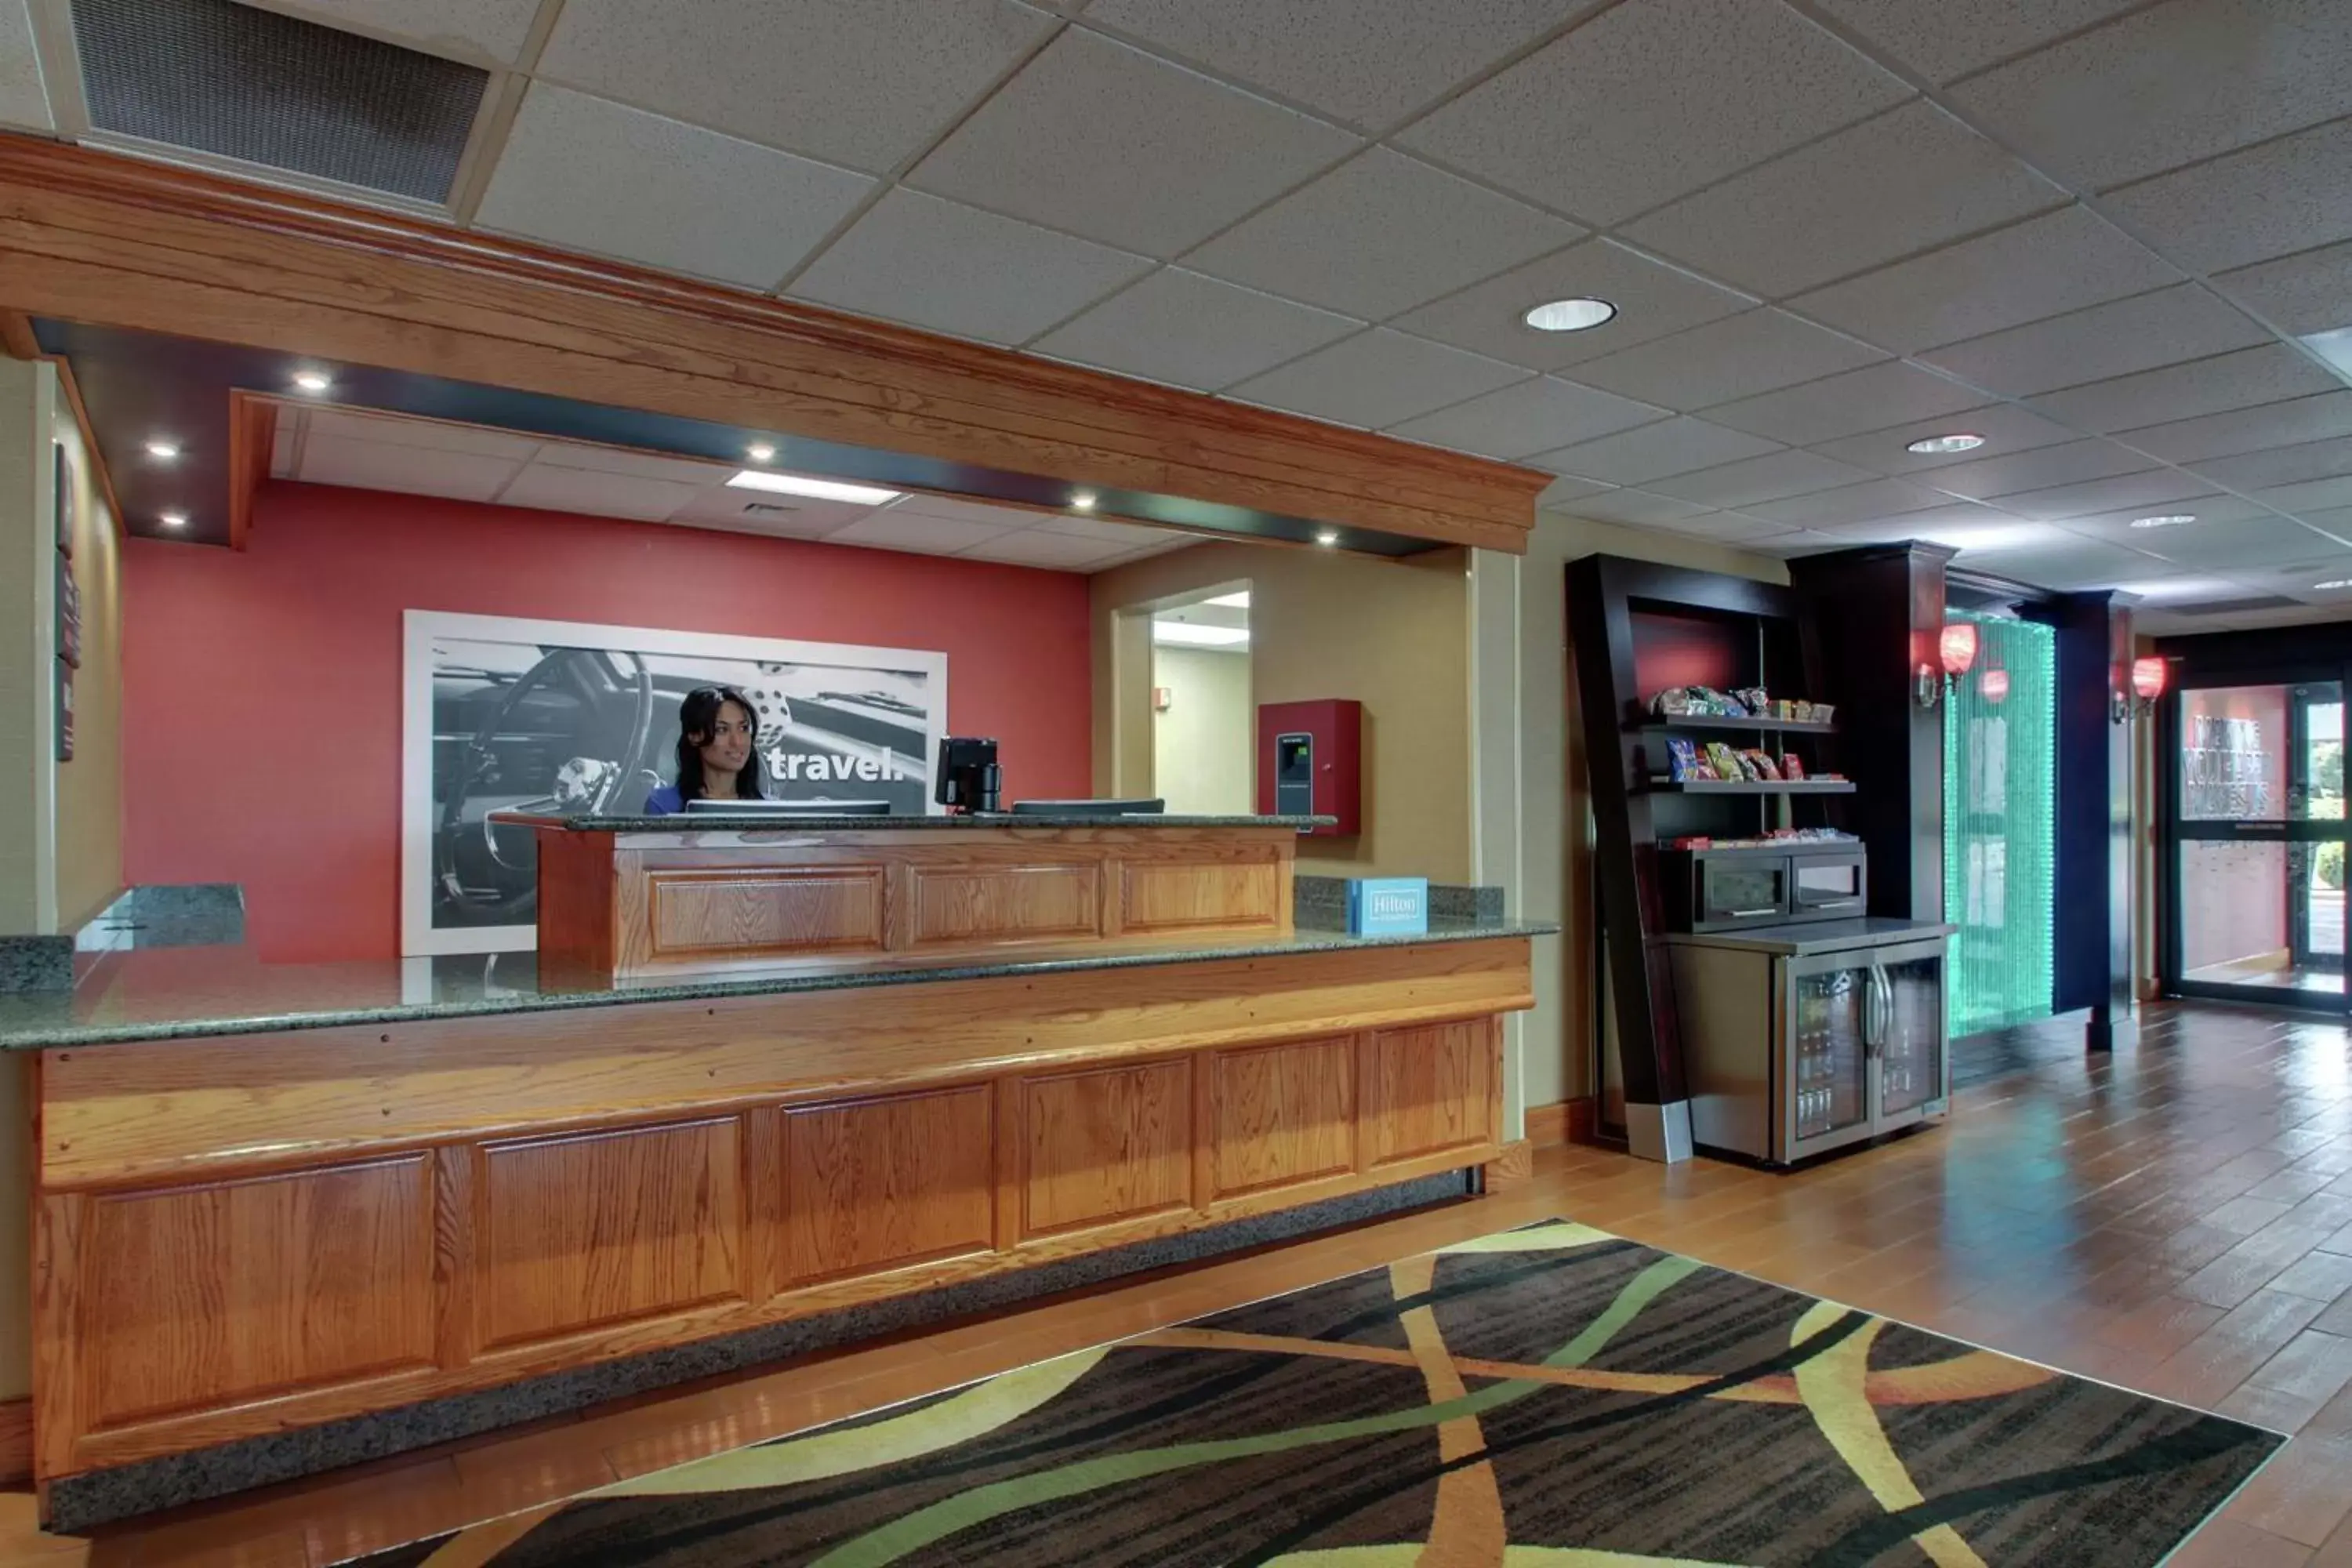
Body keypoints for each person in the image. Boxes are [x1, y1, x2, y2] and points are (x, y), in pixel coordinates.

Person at [644, 685, 765, 815]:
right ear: (694, 736)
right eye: (722, 730)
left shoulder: (769, 809)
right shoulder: (664, 805)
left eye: (743, 728)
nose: (737, 742)